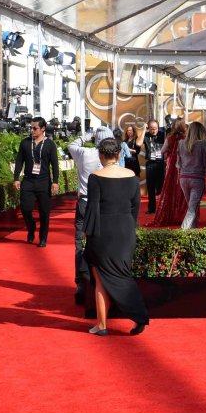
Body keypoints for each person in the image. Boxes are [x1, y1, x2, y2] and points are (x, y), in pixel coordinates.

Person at [83, 137, 148, 337]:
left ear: (101, 155)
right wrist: (129, 225)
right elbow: (136, 206)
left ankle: (102, 325)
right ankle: (137, 315)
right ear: (119, 154)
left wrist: (87, 233)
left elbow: (92, 208)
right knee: (121, 273)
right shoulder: (131, 175)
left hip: (103, 231)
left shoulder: (96, 176)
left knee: (101, 278)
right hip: (125, 229)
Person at [66, 126, 113, 305]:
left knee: (80, 244)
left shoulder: (85, 153)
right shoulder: (112, 157)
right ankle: (105, 279)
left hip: (85, 202)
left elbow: (71, 145)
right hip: (104, 203)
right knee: (105, 241)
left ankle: (81, 282)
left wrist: (87, 135)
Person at [12, 117, 60, 247]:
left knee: (44, 212)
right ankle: (31, 227)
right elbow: (19, 161)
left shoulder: (50, 144)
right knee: (25, 208)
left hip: (44, 182)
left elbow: (55, 165)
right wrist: (16, 178)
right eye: (31, 128)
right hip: (28, 181)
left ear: (43, 129)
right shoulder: (25, 143)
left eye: (35, 128)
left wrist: (55, 182)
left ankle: (43, 237)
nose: (32, 130)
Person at [150, 120, 189, 228]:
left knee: (170, 189)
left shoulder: (170, 138)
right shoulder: (186, 138)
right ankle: (182, 216)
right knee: (183, 191)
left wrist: (169, 152)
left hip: (172, 166)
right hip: (183, 165)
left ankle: (171, 214)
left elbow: (162, 151)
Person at [177, 121, 206, 230]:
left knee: (192, 206)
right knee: (192, 207)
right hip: (197, 178)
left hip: (183, 178)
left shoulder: (181, 143)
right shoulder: (203, 144)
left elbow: (178, 163)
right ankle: (183, 231)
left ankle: (193, 229)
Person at [142, 119, 167, 214]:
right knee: (150, 188)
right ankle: (152, 208)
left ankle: (162, 208)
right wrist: (144, 129)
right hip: (150, 164)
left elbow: (167, 131)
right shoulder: (146, 135)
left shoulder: (162, 134)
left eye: (156, 128)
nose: (154, 131)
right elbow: (139, 143)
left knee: (161, 187)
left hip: (160, 163)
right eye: (152, 129)